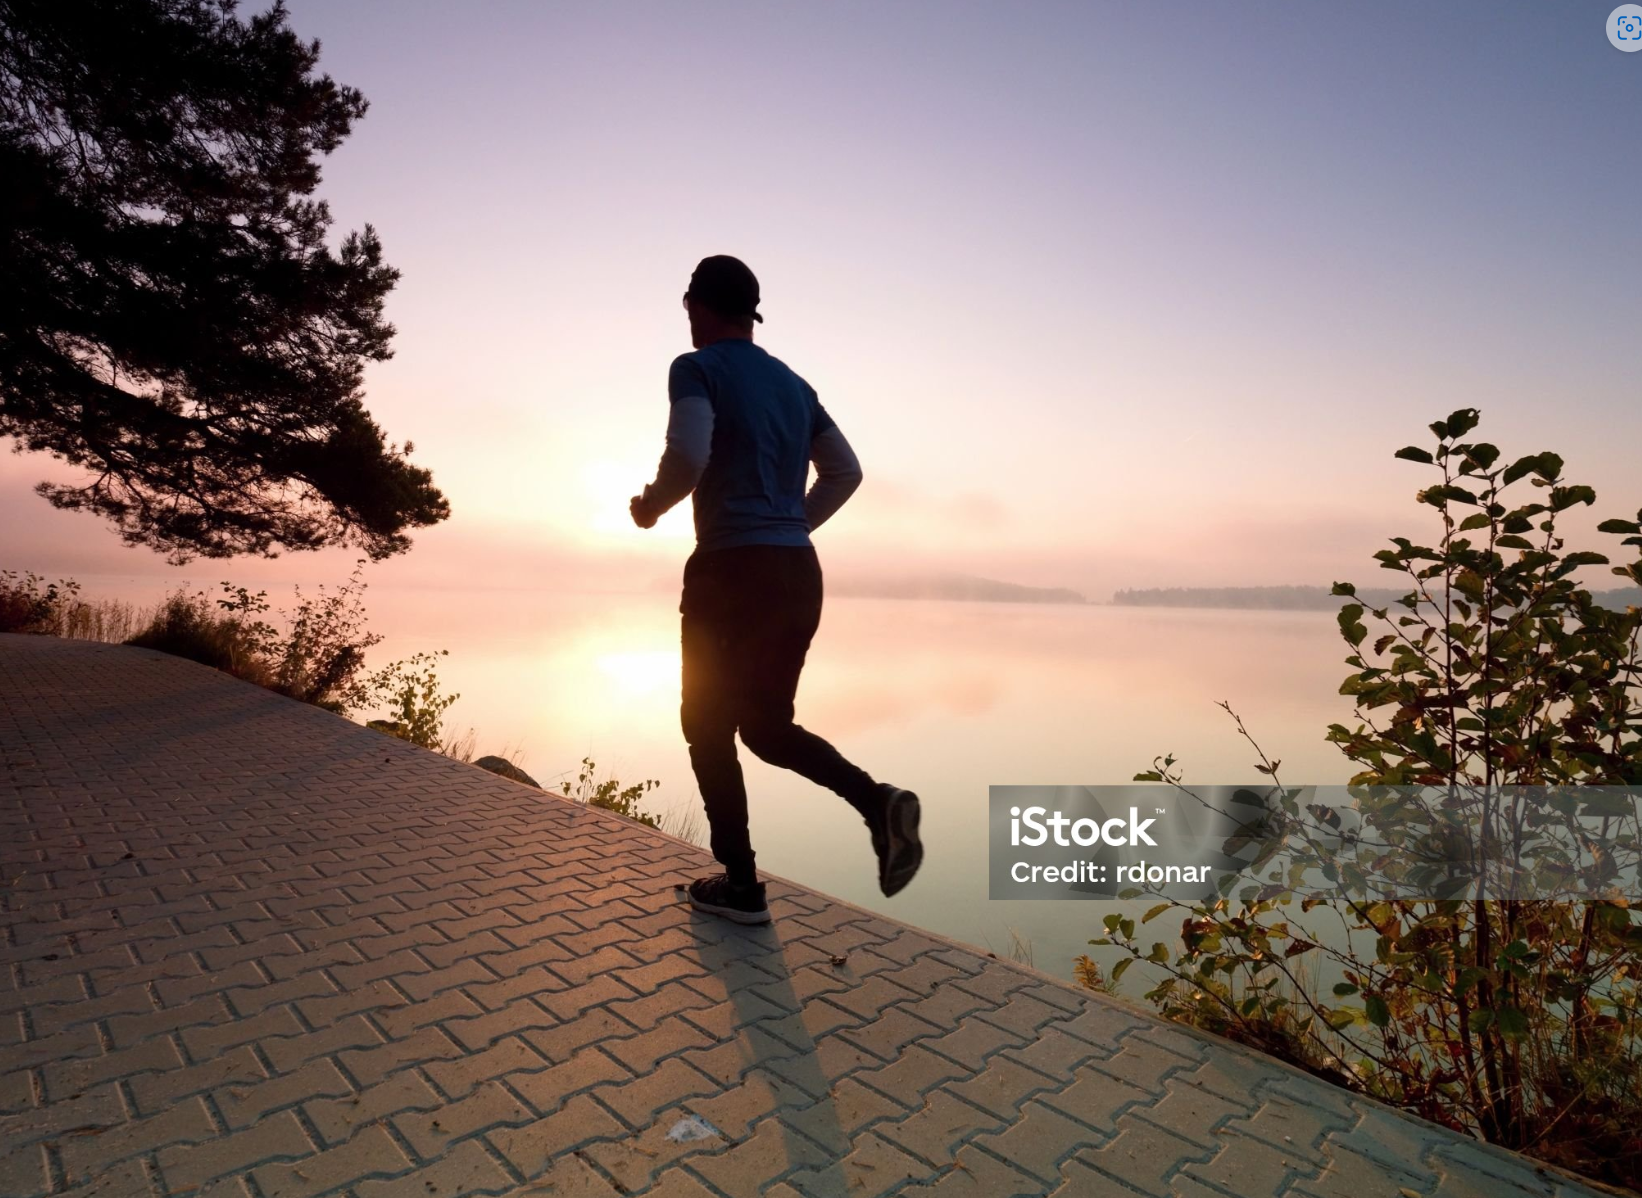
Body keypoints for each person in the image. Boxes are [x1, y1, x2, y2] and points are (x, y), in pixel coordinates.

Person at [629, 254, 923, 925]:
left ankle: (740, 884)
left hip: (732, 571)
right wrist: (790, 524)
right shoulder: (795, 385)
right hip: (798, 573)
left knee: (705, 723)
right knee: (763, 726)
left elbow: (688, 455)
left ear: (696, 306)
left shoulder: (695, 367)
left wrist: (651, 506)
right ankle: (879, 803)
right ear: (751, 314)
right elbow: (845, 472)